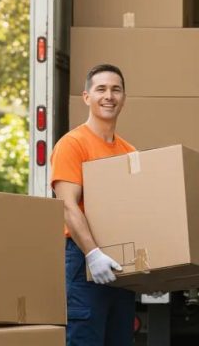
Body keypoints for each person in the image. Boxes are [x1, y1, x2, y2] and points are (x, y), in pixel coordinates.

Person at [50, 64, 136, 346]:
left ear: (124, 97)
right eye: (101, 89)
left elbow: (136, 211)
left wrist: (153, 273)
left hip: (121, 264)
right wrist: (92, 253)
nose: (108, 96)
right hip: (84, 260)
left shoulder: (128, 152)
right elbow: (67, 206)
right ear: (86, 97)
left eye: (116, 89)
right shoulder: (73, 144)